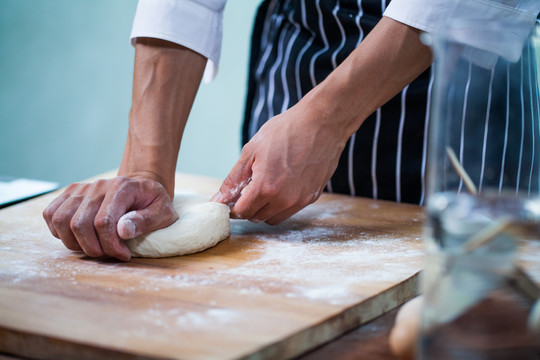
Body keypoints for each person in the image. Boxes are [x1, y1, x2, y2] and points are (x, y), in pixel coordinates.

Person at [43, 0, 540, 261]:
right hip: (305, 45)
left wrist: (329, 117)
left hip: (468, 81)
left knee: (472, 299)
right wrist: (145, 168)